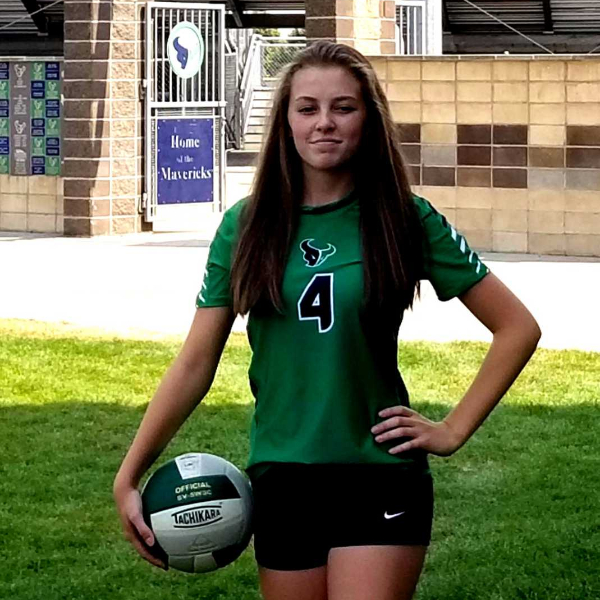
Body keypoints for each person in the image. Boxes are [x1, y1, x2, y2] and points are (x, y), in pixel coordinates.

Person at [114, 41, 541, 600]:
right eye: (307, 108)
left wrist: (452, 429)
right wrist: (129, 474)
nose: (324, 123)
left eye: (344, 107)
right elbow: (196, 362)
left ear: (369, 119)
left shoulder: (404, 218)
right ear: (286, 121)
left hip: (379, 471)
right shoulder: (246, 225)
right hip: (282, 477)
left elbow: (517, 327)